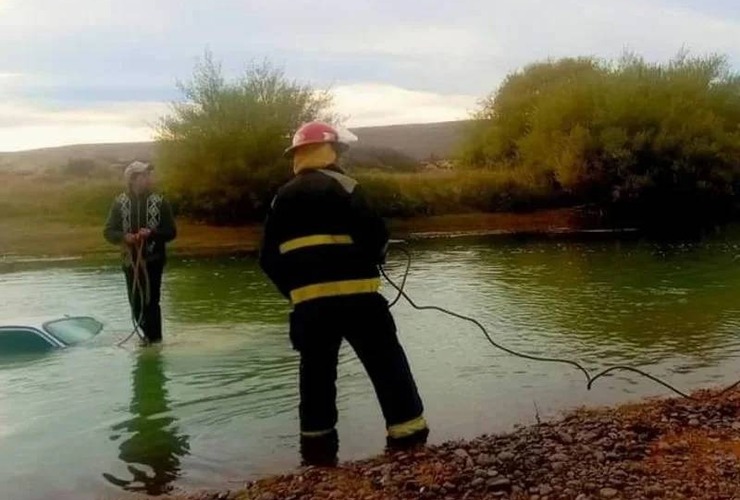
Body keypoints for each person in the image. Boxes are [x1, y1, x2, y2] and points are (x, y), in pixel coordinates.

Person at [258, 121, 429, 466]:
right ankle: (408, 438)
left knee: (316, 376)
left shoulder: (281, 198)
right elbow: (376, 238)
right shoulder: (347, 187)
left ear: (298, 156)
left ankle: (317, 452)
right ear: (330, 151)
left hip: (309, 309)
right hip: (360, 302)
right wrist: (371, 259)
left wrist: (297, 293)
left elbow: (268, 259)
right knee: (387, 365)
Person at [104, 161, 177, 344]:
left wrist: (152, 233)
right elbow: (108, 231)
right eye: (144, 175)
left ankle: (155, 341)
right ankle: (149, 338)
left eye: (148, 175)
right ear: (133, 179)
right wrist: (124, 237)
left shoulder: (160, 202)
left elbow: (171, 232)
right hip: (130, 262)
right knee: (136, 304)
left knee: (152, 303)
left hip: (153, 260)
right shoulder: (119, 203)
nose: (148, 178)